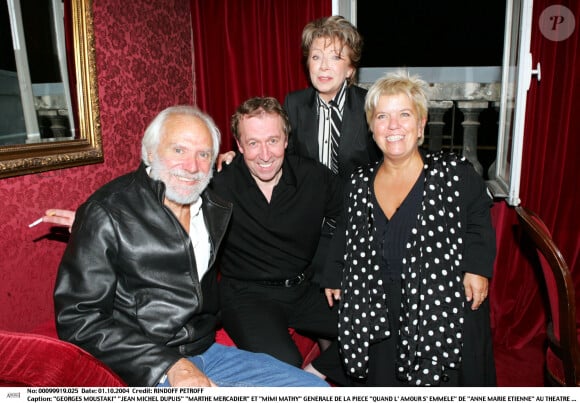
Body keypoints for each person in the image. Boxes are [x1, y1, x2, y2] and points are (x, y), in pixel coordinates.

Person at [53, 105, 328, 387]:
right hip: (143, 362)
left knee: (315, 389)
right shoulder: (107, 212)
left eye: (203, 154)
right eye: (179, 150)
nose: (192, 166)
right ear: (150, 152)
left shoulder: (213, 205)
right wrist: (168, 364)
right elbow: (78, 318)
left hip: (205, 350)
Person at [323, 72, 496, 386]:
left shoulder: (454, 173)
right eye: (382, 116)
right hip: (379, 302)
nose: (393, 126)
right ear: (371, 126)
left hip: (441, 304)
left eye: (404, 114)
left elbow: (478, 220)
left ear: (421, 123)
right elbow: (345, 231)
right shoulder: (359, 182)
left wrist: (477, 268)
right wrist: (335, 274)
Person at [210, 97, 345, 381]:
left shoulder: (313, 177)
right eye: (253, 143)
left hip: (304, 288)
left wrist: (335, 271)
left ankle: (315, 373)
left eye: (272, 140)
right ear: (239, 144)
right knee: (284, 365)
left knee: (379, 324)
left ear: (286, 139)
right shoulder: (219, 183)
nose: (264, 154)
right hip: (247, 296)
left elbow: (354, 217)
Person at [283, 15, 380, 180]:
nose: (323, 66)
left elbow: (385, 165)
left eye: (335, 57)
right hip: (309, 201)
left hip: (357, 201)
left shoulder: (370, 105)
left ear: (350, 69)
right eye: (316, 57)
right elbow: (283, 161)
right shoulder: (294, 104)